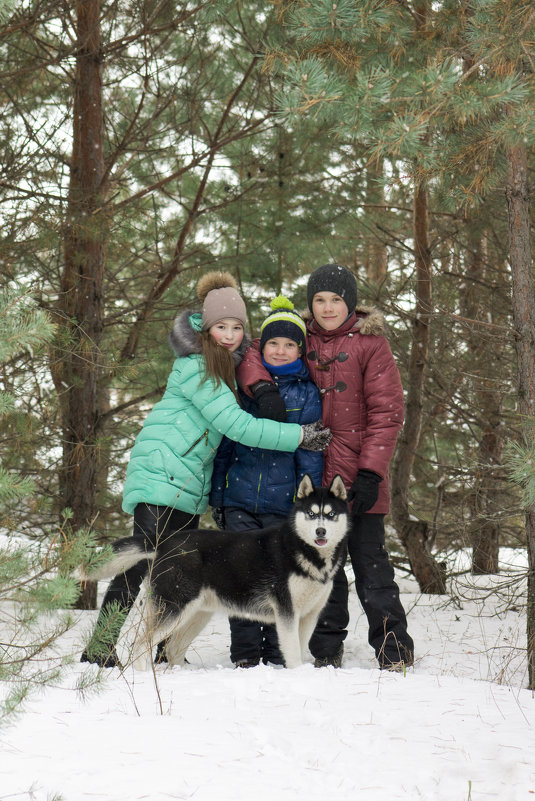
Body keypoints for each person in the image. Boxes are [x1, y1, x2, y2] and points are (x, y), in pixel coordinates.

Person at [81, 272, 330, 668]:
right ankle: (99, 651)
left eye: (236, 327)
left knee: (171, 569)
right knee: (140, 562)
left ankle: (162, 649)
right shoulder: (199, 367)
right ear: (206, 327)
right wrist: (298, 436)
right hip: (163, 476)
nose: (229, 334)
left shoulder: (223, 365)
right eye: (221, 326)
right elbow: (238, 426)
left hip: (184, 483)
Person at [236, 263, 414, 671]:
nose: (328, 307)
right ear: (310, 303)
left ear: (350, 302)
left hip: (360, 476)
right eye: (320, 299)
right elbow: (252, 354)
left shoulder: (372, 345)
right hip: (314, 480)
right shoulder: (300, 337)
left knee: (372, 567)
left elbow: (387, 413)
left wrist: (371, 472)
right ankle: (325, 650)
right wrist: (262, 387)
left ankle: (394, 651)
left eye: (336, 299)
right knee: (321, 568)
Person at [209, 295, 324, 668]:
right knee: (239, 577)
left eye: (289, 344)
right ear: (263, 345)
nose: (280, 350)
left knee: (279, 580)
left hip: (283, 506)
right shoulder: (245, 387)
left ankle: (277, 653)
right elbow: (226, 443)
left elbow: (309, 453)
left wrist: (305, 505)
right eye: (273, 342)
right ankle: (244, 654)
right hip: (239, 499)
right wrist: (219, 497)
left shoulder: (306, 393)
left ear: (300, 350)